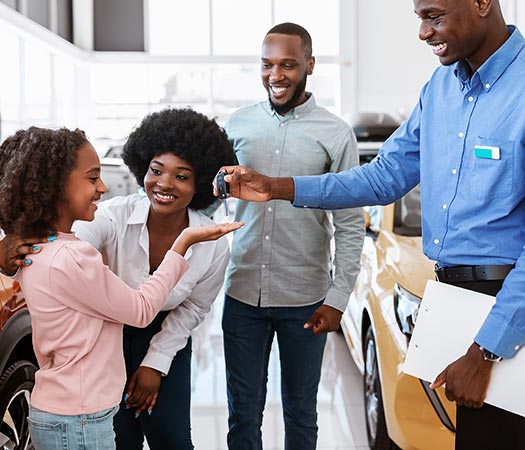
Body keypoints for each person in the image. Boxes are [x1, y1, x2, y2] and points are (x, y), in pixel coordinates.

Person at [216, 1, 525, 449]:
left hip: (505, 308)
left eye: (433, 16)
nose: (423, 32)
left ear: (481, 3)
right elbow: (383, 176)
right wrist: (276, 188)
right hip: (452, 301)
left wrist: (485, 350)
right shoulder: (440, 88)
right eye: (419, 17)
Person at [0, 108, 239, 450]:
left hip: (164, 336)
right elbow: (72, 244)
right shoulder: (113, 216)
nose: (165, 184)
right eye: (156, 171)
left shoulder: (211, 244)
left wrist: (155, 363)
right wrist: (15, 247)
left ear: (199, 183)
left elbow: (194, 309)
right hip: (106, 340)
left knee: (172, 438)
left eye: (182, 177)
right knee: (120, 437)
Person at [221, 22, 364, 450]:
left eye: (287, 64)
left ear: (310, 65)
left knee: (300, 411)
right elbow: (212, 204)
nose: (275, 75)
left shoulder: (336, 133)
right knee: (242, 413)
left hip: (305, 299)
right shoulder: (238, 125)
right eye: (267, 65)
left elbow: (350, 224)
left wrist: (338, 300)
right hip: (243, 295)